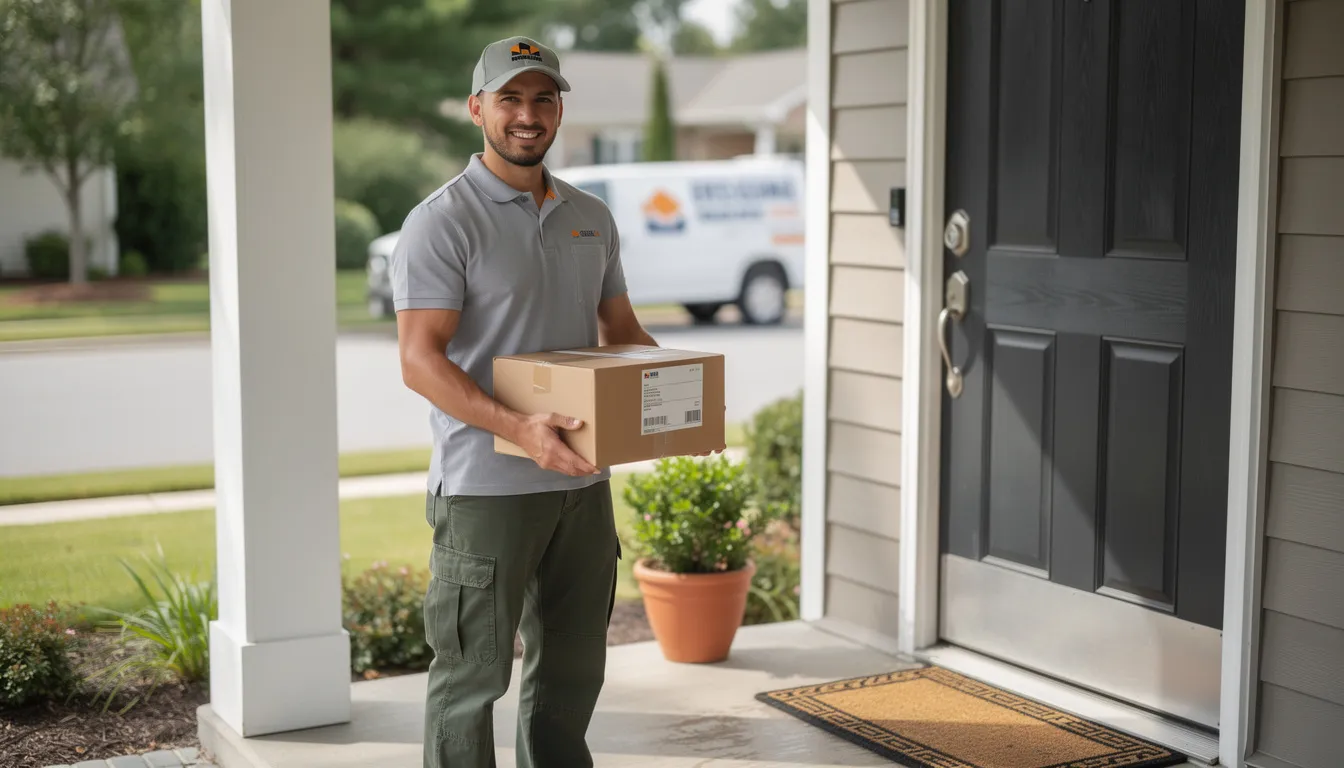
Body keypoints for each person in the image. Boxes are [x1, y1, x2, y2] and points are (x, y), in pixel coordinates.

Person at [390, 36, 715, 768]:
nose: (528, 115)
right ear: (478, 109)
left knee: (571, 673)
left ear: (559, 109)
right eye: (510, 98)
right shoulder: (442, 221)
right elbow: (419, 360)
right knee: (472, 677)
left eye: (543, 98)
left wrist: (686, 406)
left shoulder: (590, 216)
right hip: (487, 488)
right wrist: (519, 428)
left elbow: (622, 332)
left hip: (581, 483)